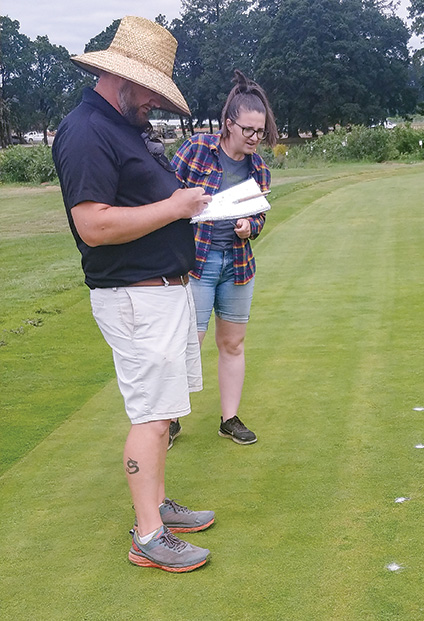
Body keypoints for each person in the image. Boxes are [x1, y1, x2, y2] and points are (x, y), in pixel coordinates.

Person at [52, 16, 215, 573]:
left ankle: (158, 506)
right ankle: (148, 535)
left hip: (162, 292)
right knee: (151, 414)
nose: (154, 106)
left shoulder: (121, 127)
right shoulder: (86, 131)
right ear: (122, 79)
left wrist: (186, 203)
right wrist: (175, 207)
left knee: (164, 409)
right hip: (133, 297)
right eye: (150, 95)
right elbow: (93, 224)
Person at [170, 70, 278, 447]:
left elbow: (260, 214)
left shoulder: (259, 168)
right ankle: (168, 420)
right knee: (189, 342)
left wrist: (251, 225)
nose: (254, 138)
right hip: (196, 263)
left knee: (232, 344)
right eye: (248, 130)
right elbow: (165, 193)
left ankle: (229, 419)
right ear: (228, 124)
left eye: (259, 131)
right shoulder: (197, 149)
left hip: (237, 264)